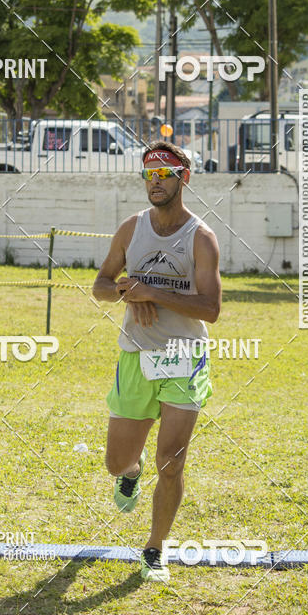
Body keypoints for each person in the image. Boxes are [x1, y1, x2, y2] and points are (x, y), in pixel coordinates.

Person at [93, 141, 221, 583]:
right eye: (150, 174)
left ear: (184, 178)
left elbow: (210, 309)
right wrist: (127, 291)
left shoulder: (201, 238)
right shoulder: (132, 228)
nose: (156, 182)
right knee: (115, 462)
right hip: (137, 354)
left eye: (165, 174)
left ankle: (155, 548)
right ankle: (131, 471)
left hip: (184, 357)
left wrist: (153, 292)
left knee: (172, 461)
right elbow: (101, 285)